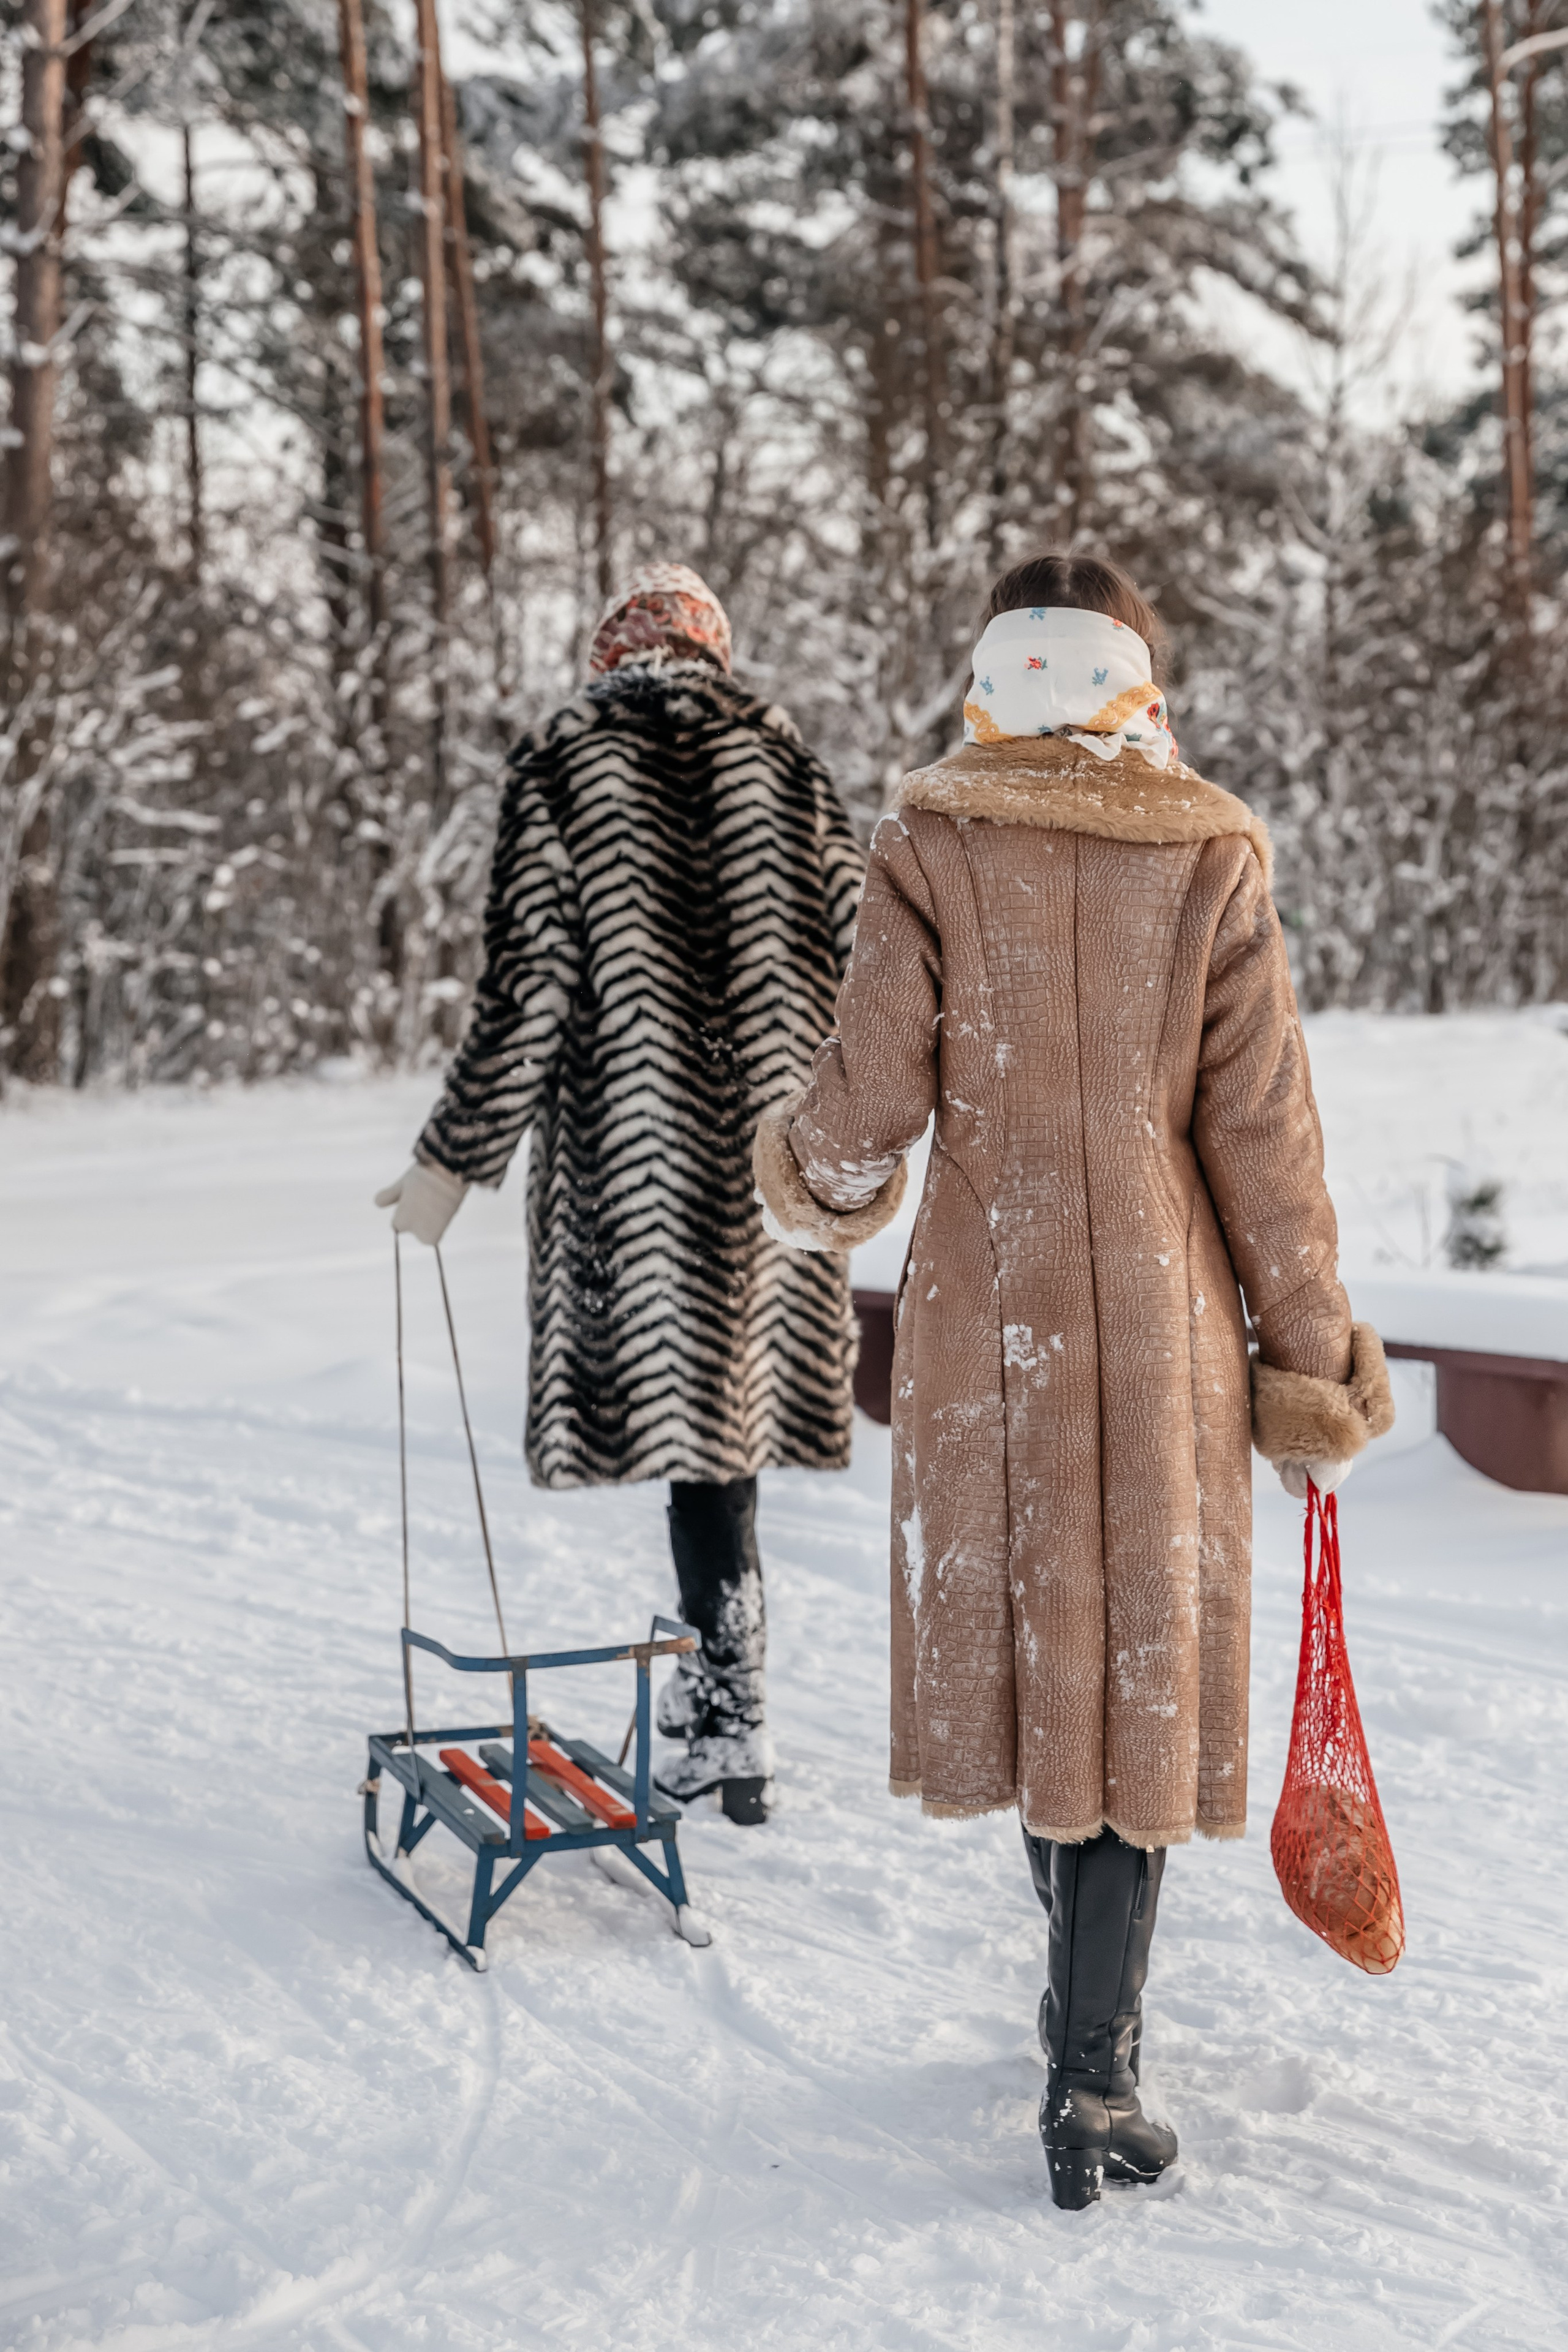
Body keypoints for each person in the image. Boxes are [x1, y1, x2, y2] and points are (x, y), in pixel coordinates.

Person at [752, 551, 1395, 2205]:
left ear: (991, 674)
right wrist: (1311, 1361)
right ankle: (1094, 2063)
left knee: (1049, 1649)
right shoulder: (1211, 855)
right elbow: (1263, 1141)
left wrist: (808, 1177)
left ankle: (1075, 2017)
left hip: (988, 1316)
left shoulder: (931, 840)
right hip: (1165, 1321)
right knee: (1137, 1668)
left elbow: (862, 1105)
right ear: (1137, 676)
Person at [379, 563, 865, 1825]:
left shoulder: (564, 760)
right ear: (710, 651)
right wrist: (866, 1135)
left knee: (685, 1430)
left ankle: (725, 1708)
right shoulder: (788, 762)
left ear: (614, 655)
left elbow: (528, 985)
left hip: (632, 1168)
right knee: (724, 1440)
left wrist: (451, 1158)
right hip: (771, 1168)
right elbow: (871, 958)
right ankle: (727, 1707)